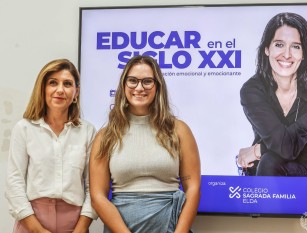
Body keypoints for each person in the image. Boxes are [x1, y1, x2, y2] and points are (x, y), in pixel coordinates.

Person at [89, 55, 201, 233]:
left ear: (157, 86)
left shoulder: (179, 130)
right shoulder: (106, 136)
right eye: (132, 81)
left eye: (147, 81)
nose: (139, 87)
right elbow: (97, 196)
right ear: (124, 85)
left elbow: (193, 187)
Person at [237, 12, 307, 176]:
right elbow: (285, 148)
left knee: (269, 161)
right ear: (267, 49)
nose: (286, 54)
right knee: (268, 162)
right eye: (279, 44)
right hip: (266, 170)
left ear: (304, 53)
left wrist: (258, 150)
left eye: (295, 46)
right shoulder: (253, 89)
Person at [5, 59, 97, 232]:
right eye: (53, 83)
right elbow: (14, 184)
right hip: (32, 222)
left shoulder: (88, 131)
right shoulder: (24, 128)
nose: (60, 90)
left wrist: (81, 228)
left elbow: (93, 187)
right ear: (43, 89)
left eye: (67, 84)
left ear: (76, 92)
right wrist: (37, 230)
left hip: (74, 224)